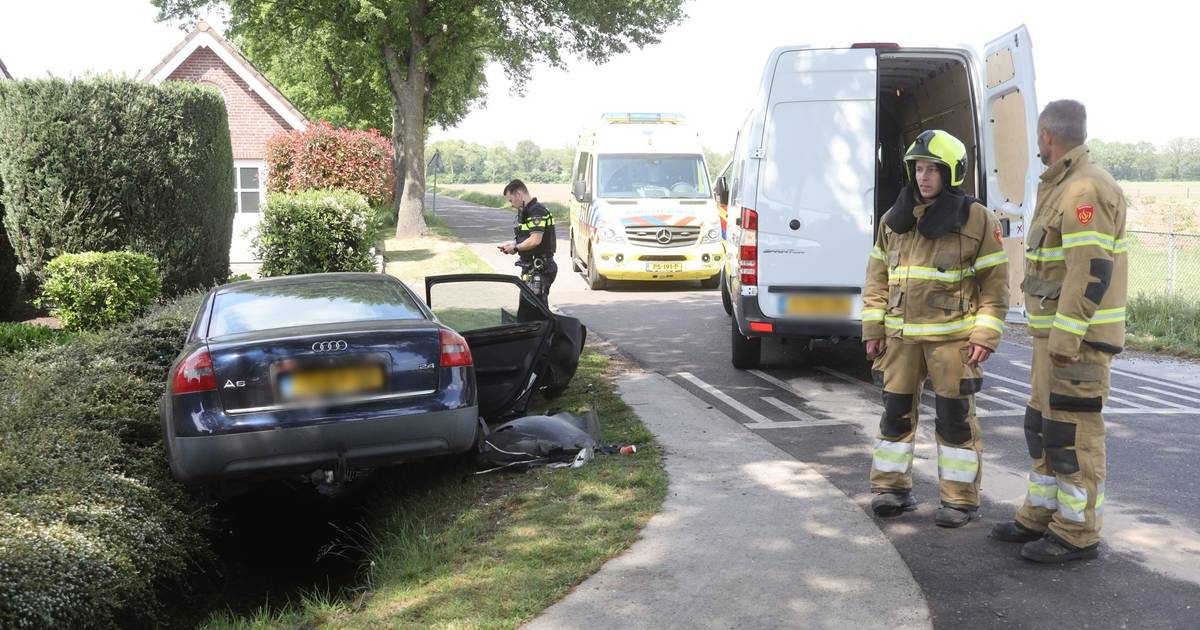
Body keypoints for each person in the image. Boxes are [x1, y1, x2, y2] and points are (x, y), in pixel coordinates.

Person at [990, 100, 1128, 563]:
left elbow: (1088, 271)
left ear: (1048, 135)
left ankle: (1077, 532)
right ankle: (1042, 514)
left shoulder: (1084, 189)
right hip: (1052, 340)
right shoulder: (1064, 185)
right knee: (1044, 428)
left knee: (1075, 436)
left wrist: (1068, 339)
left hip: (1076, 344)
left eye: (1037, 137)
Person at [862, 129, 1010, 528]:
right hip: (900, 342)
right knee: (894, 417)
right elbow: (876, 279)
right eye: (918, 168)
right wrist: (872, 328)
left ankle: (960, 500)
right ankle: (890, 489)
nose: (923, 177)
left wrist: (984, 334)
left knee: (955, 421)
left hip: (953, 343)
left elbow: (995, 287)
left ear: (952, 173)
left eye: (933, 169)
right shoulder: (893, 220)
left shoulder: (977, 219)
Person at [498, 179, 557, 317]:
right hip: (532, 269)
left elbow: (535, 240)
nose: (511, 205)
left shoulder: (536, 211)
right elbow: (527, 238)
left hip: (539, 269)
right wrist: (513, 245)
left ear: (519, 194)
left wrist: (516, 248)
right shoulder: (528, 211)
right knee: (528, 312)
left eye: (511, 200)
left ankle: (547, 338)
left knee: (536, 314)